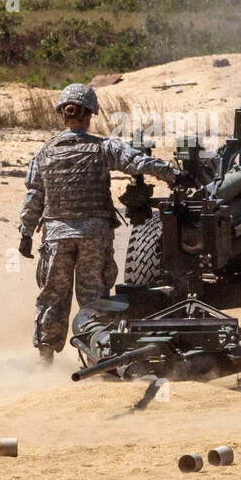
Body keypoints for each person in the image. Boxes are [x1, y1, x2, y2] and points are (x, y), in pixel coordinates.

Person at [18, 83, 182, 364]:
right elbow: (138, 162)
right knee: (94, 300)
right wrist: (173, 175)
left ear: (62, 113)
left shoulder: (44, 153)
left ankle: (45, 359)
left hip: (56, 236)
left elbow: (34, 196)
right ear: (89, 114)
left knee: (52, 297)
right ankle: (97, 357)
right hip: (94, 236)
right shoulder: (104, 147)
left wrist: (25, 233)